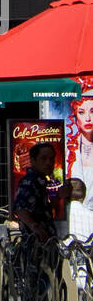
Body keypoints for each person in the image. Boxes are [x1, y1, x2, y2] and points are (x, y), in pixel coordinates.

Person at [13, 142, 59, 244]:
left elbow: (42, 211)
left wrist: (59, 196)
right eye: (43, 158)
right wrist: (36, 228)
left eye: (51, 159)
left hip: (46, 245)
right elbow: (21, 209)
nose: (48, 163)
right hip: (36, 247)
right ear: (33, 160)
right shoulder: (30, 181)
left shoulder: (40, 181)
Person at [67, 84, 93, 241]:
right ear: (75, 116)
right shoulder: (69, 149)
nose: (88, 118)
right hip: (75, 222)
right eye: (82, 112)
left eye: (92, 111)